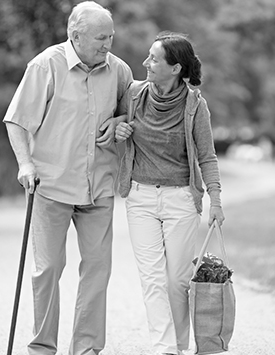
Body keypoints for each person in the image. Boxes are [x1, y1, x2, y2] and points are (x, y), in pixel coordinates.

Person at [2, 2, 133, 354]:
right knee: (47, 269)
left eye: (110, 37)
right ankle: (42, 347)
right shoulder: (46, 65)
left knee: (98, 270)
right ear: (75, 35)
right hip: (51, 185)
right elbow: (16, 120)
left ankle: (86, 349)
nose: (107, 44)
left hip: (98, 186)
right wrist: (25, 164)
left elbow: (130, 116)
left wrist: (120, 125)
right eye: (100, 37)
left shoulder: (119, 70)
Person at [114, 32, 225, 355]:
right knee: (152, 278)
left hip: (180, 199)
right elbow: (113, 121)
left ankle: (179, 345)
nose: (146, 63)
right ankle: (164, 348)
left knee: (177, 280)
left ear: (175, 68)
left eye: (154, 59)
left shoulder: (195, 105)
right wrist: (120, 127)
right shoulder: (134, 95)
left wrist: (215, 200)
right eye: (148, 57)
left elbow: (207, 156)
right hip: (140, 197)